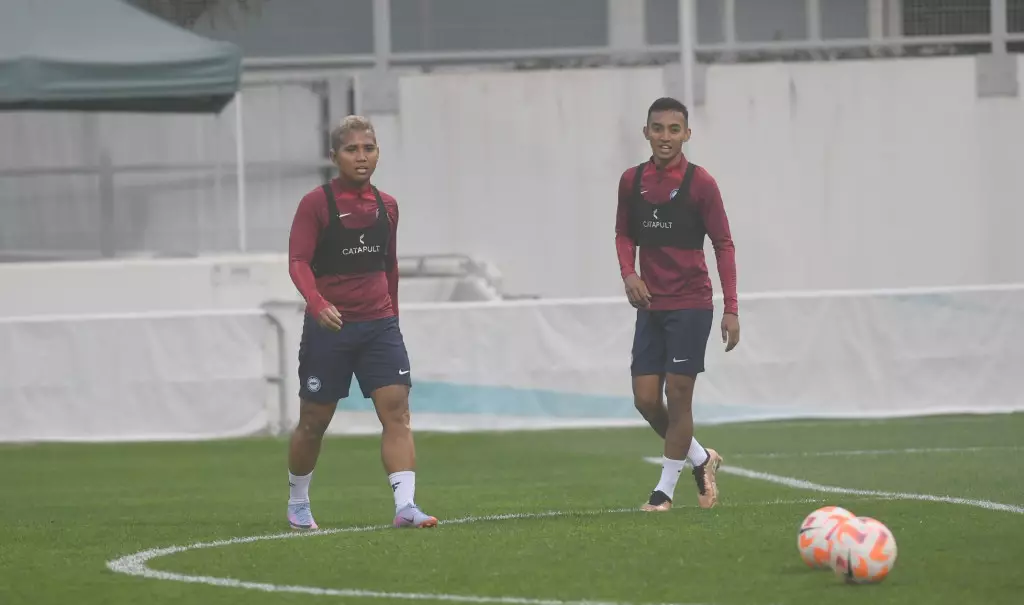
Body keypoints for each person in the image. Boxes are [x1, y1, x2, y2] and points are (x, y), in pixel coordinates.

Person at [285, 115, 437, 530]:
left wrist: (393, 319)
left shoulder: (388, 206)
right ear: (334, 156)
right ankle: (298, 502)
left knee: (397, 412)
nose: (361, 156)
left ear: (378, 153)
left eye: (368, 148)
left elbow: (390, 267)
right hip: (329, 329)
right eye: (351, 149)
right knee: (314, 422)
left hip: (379, 326)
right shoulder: (316, 204)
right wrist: (317, 303)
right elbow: (297, 261)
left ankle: (406, 506)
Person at [614, 97, 740, 512]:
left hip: (691, 303)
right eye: (657, 128)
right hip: (651, 306)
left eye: (673, 129)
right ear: (645, 133)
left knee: (679, 394)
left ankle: (663, 492)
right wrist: (629, 274)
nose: (665, 136)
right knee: (646, 400)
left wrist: (731, 307)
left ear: (687, 134)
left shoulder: (701, 184)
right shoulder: (631, 181)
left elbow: (723, 244)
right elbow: (623, 234)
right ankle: (701, 458)